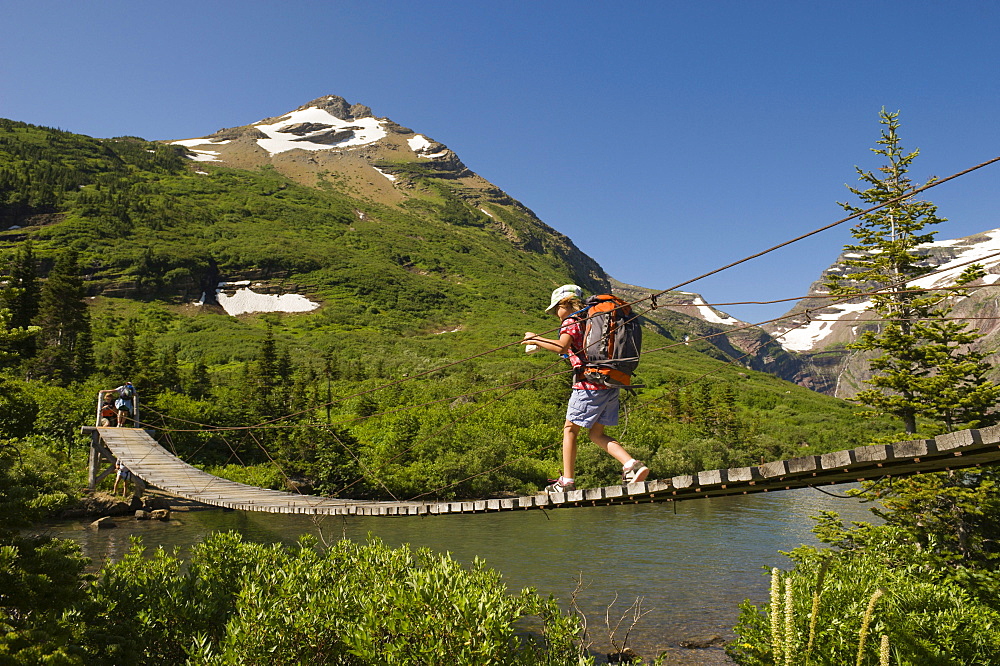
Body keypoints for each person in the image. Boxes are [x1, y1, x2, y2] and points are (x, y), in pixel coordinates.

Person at [522, 284, 649, 492]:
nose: (556, 314)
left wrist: (535, 338)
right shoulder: (590, 319)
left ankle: (567, 482)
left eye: (556, 309)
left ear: (566, 304)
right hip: (609, 382)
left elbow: (561, 346)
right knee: (596, 434)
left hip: (588, 385)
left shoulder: (571, 320)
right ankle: (632, 465)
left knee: (570, 430)